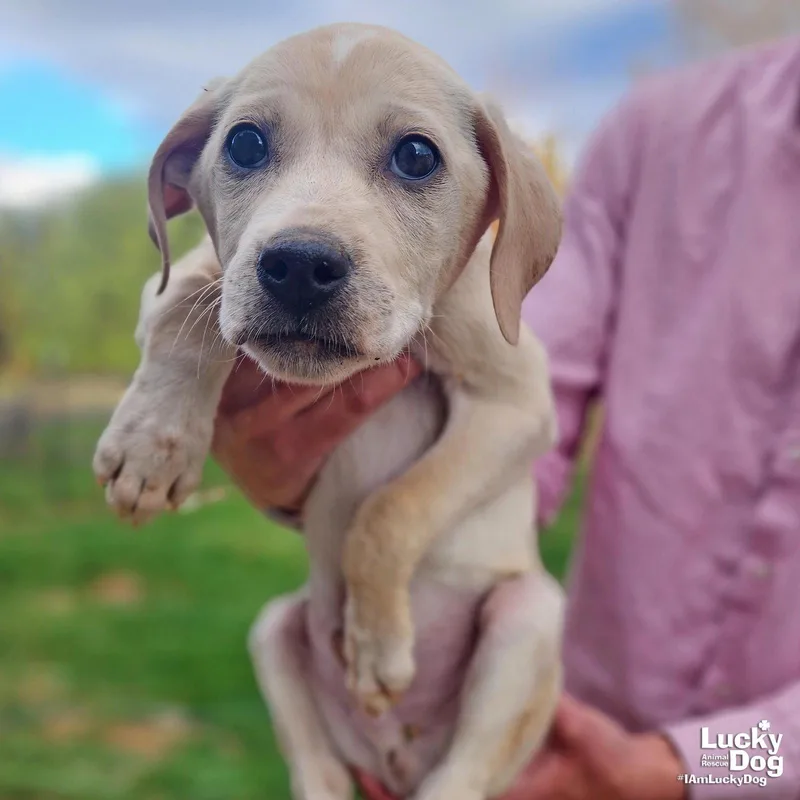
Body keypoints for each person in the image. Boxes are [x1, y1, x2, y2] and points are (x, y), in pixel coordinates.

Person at [213, 36, 800, 799]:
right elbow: (524, 392)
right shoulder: (662, 132)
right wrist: (321, 462)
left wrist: (677, 769)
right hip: (552, 717)